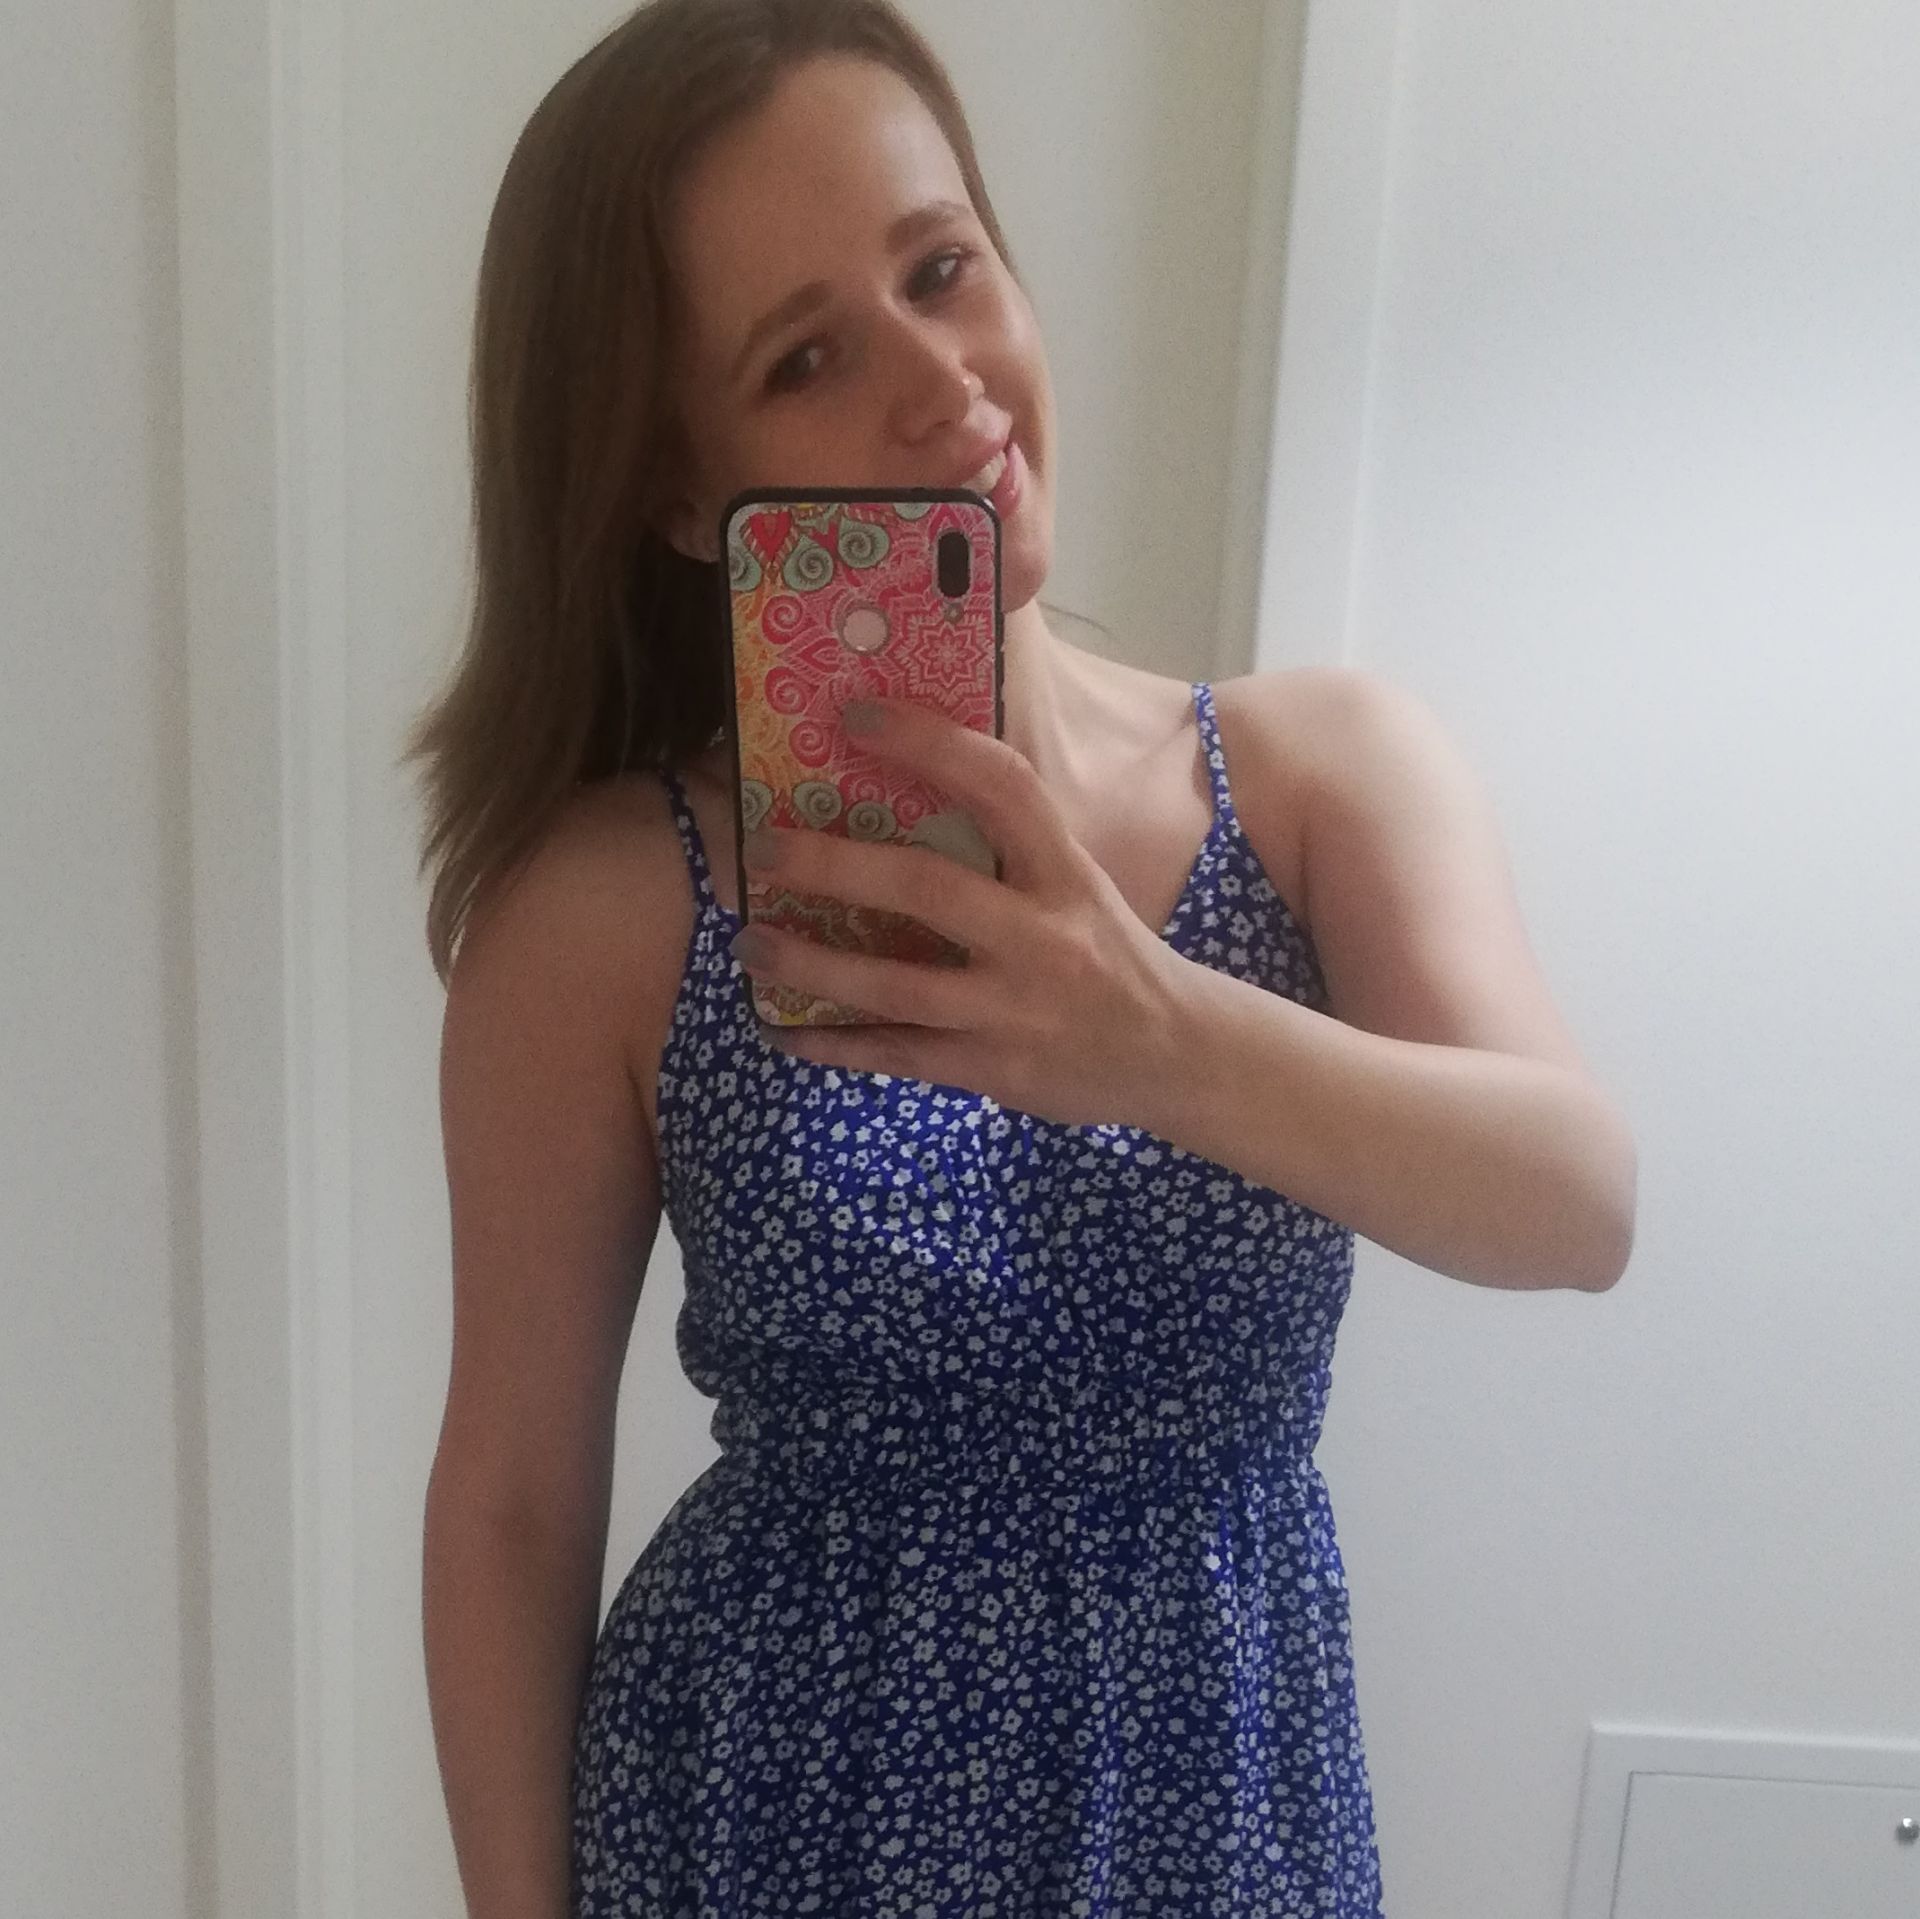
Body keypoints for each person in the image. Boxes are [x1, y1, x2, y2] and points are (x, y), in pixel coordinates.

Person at [410, 2, 1639, 1914]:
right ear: (677, 489)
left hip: (1209, 1809)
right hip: (771, 1820)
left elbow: (1574, 1203)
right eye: (806, 355)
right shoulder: (612, 908)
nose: (942, 382)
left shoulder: (1315, 779)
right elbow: (510, 1499)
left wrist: (1149, 1032)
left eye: (942, 268)